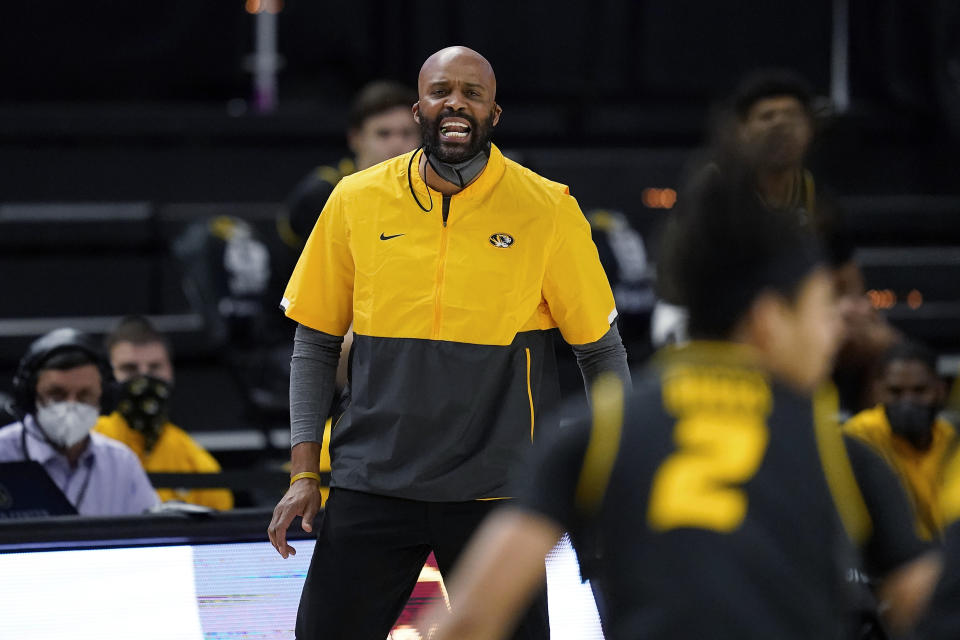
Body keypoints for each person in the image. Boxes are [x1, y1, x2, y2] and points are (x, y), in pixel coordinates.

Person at [421, 160, 931, 640]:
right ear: (769, 319)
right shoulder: (837, 450)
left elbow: (468, 621)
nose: (835, 331)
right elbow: (929, 610)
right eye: (822, 309)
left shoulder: (597, 430)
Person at [267, 45, 629, 640]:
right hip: (370, 481)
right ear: (419, 107)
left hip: (496, 493)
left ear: (494, 112)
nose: (455, 103)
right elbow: (315, 343)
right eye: (441, 91)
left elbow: (600, 350)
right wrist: (304, 472)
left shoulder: (549, 209)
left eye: (472, 92)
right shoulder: (355, 200)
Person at [650, 69, 900, 416]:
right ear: (741, 130)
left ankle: (867, 443)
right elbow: (685, 285)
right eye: (767, 117)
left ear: (811, 129)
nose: (780, 126)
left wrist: (848, 308)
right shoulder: (715, 194)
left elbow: (848, 282)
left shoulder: (819, 200)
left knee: (887, 346)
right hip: (706, 318)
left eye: (792, 116)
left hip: (788, 313)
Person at [0, 328, 158, 516]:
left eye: (84, 395)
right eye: (57, 395)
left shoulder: (121, 463)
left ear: (104, 399)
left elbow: (154, 538)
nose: (71, 406)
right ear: (30, 396)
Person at [94, 315, 233, 511]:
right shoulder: (86, 445)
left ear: (171, 372)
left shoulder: (196, 462)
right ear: (109, 376)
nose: (144, 377)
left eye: (154, 367)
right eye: (129, 368)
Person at [844, 341, 956, 539]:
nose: (907, 402)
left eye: (919, 391)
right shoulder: (858, 436)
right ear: (877, 391)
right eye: (895, 392)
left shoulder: (951, 441)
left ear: (940, 390)